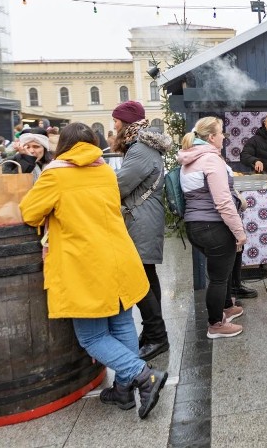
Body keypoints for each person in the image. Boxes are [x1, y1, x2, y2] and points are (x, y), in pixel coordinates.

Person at [19, 122, 167, 419]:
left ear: (63, 145)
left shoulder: (55, 175)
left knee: (91, 336)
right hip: (119, 257)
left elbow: (30, 212)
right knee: (122, 322)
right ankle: (124, 390)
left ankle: (140, 374)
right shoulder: (104, 171)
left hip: (86, 264)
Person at [112, 101, 172, 361]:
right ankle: (152, 332)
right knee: (147, 275)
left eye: (116, 120)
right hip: (144, 216)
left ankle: (158, 337)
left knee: (141, 278)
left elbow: (120, 186)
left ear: (126, 122)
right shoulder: (142, 147)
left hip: (141, 219)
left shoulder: (139, 149)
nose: (113, 125)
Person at [178, 117, 247, 339]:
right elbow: (223, 202)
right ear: (211, 137)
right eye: (221, 133)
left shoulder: (188, 159)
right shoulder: (211, 160)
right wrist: (239, 232)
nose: (224, 136)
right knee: (218, 277)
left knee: (220, 271)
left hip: (194, 225)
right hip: (214, 225)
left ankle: (226, 308)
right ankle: (216, 324)